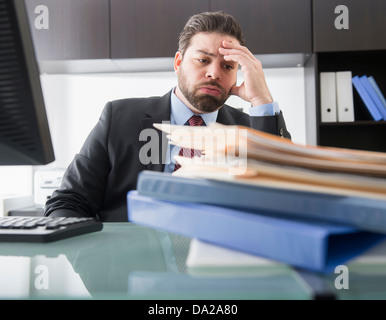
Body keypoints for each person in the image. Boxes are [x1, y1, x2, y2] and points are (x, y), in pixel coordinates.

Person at [44, 11, 291, 222]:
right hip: (129, 268)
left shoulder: (249, 130)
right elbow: (69, 202)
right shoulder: (118, 118)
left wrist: (263, 102)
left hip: (218, 269)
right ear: (178, 62)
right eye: (203, 60)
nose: (214, 73)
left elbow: (285, 202)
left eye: (228, 66)